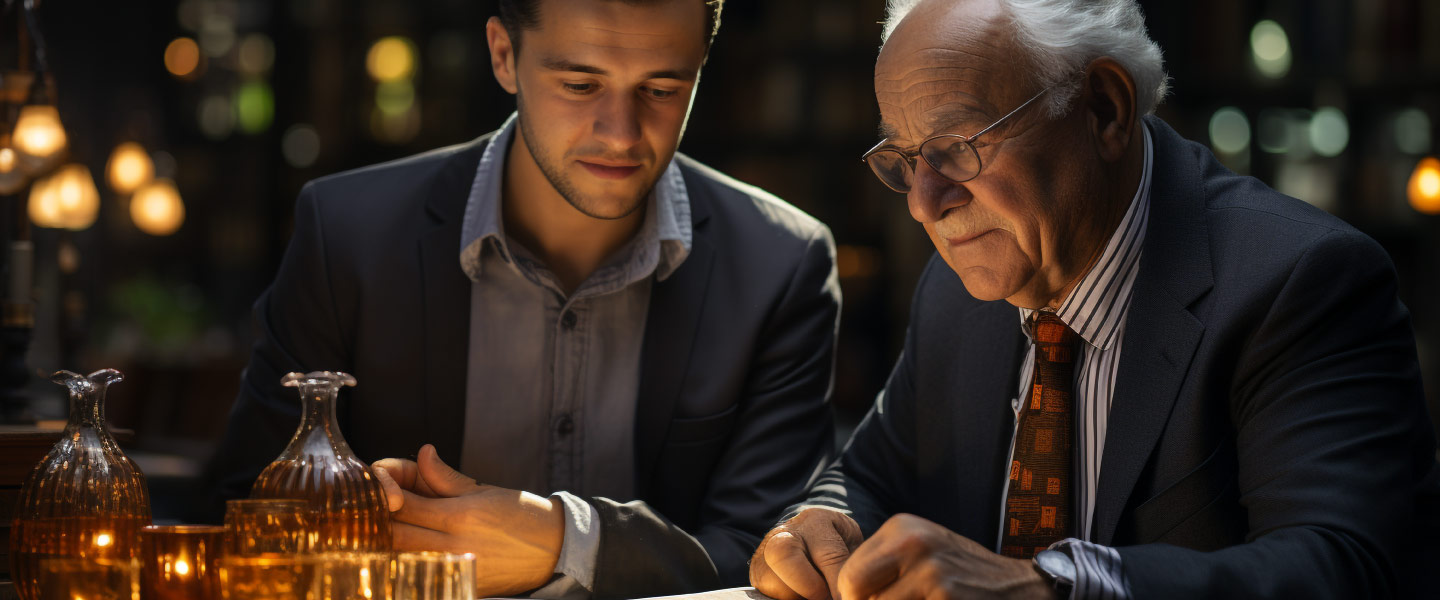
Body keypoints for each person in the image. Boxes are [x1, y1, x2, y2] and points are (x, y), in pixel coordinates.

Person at [748, 0, 1440, 598]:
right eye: (902, 159)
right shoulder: (959, 289)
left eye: (957, 146)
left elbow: (1345, 569)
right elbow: (872, 475)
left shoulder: (1299, 280)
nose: (925, 204)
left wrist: (1053, 588)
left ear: (1105, 109)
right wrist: (820, 525)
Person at [205, 0, 841, 597]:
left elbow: (775, 562)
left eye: (661, 89)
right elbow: (240, 514)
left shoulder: (781, 263)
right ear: (503, 55)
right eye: (580, 85)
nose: (621, 134)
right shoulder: (347, 234)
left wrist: (570, 542)